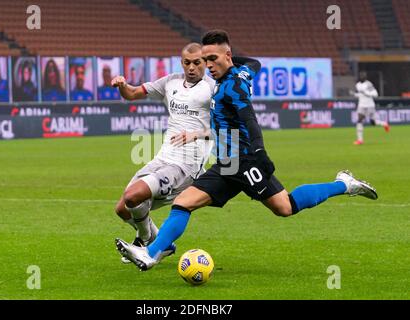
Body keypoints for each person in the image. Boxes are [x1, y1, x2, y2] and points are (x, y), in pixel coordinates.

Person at [116, 30, 379, 271]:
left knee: (285, 207)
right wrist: (224, 59)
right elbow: (255, 63)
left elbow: (250, 118)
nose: (208, 66)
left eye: (212, 59)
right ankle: (151, 252)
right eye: (205, 59)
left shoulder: (233, 86)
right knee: (183, 203)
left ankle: (343, 184)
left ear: (227, 56)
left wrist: (260, 153)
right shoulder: (242, 71)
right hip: (226, 162)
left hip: (245, 161)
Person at [112, 42, 215, 264]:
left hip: (186, 166)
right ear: (181, 62)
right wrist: (122, 85)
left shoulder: (213, 89)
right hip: (162, 158)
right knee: (123, 208)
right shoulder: (171, 82)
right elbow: (132, 94)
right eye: (187, 63)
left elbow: (227, 129)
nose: (191, 68)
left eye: (197, 63)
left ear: (205, 62)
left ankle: (145, 239)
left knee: (133, 196)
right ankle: (160, 243)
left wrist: (197, 134)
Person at [351, 71, 390, 145]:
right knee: (359, 120)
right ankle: (360, 140)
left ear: (365, 77)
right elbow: (359, 95)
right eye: (361, 76)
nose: (362, 77)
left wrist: (367, 93)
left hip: (369, 105)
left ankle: (384, 124)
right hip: (361, 105)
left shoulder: (369, 84)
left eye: (363, 76)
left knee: (373, 122)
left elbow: (375, 94)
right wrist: (354, 94)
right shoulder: (358, 85)